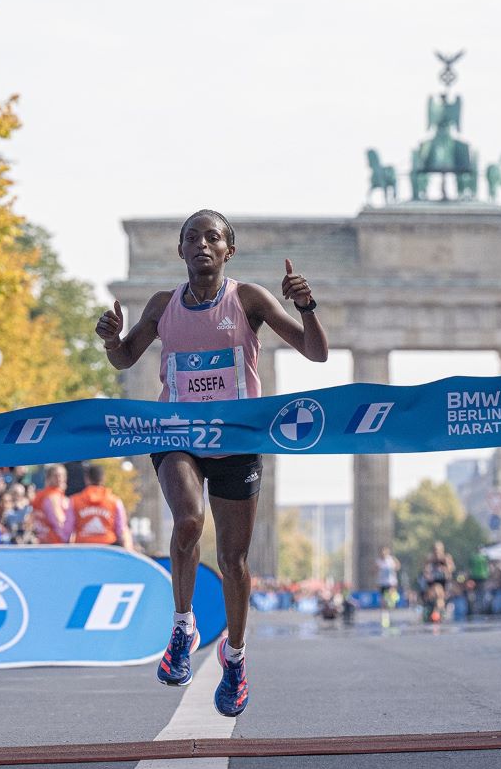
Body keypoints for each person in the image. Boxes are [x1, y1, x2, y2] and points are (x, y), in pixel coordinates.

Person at [96, 209, 327, 716]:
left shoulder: (249, 299)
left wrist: (307, 306)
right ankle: (183, 628)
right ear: (180, 250)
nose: (203, 244)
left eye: (213, 238)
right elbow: (125, 359)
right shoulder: (161, 306)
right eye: (192, 237)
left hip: (236, 439)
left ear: (229, 251)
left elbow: (315, 352)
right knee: (188, 520)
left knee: (232, 560)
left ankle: (236, 656)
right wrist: (112, 339)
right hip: (177, 433)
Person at [70, 463, 133, 551]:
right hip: (108, 549)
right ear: (103, 479)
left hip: (83, 550)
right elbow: (121, 530)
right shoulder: (114, 501)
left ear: (87, 479)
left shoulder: (74, 501)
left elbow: (67, 530)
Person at [31, 464, 73, 544]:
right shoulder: (54, 496)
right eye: (56, 476)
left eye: (63, 475)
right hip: (55, 542)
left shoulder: (39, 495)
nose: (60, 479)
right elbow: (60, 522)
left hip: (41, 540)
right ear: (49, 478)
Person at [419, 541, 456, 624]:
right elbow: (424, 573)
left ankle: (439, 612)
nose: (437, 552)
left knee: (439, 592)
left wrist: (445, 567)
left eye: (439, 550)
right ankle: (434, 612)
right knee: (436, 589)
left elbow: (451, 570)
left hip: (444, 586)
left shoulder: (446, 558)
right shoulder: (429, 560)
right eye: (435, 550)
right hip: (431, 586)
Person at [375, 546, 400, 628]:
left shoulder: (391, 560)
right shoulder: (378, 561)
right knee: (383, 601)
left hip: (391, 582)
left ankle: (393, 601)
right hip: (382, 583)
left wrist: (395, 564)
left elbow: (398, 567)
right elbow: (373, 571)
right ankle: (385, 615)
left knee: (390, 598)